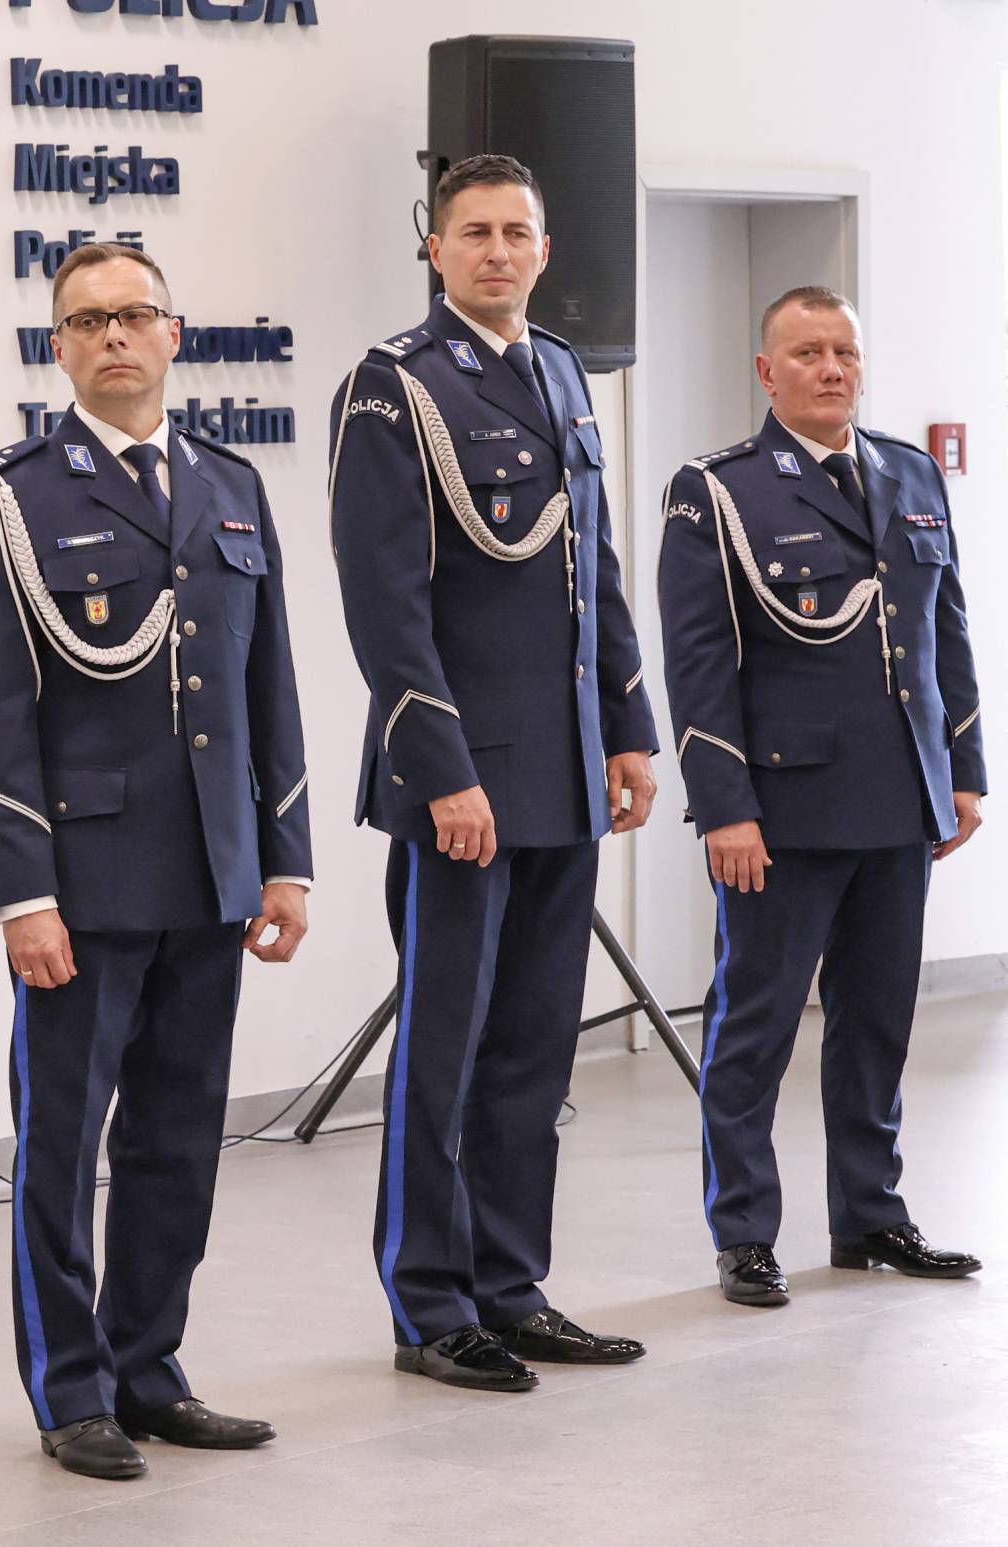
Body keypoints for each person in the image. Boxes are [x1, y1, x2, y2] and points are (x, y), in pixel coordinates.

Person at [0, 242, 314, 1479]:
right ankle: (71, 1389)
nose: (113, 336)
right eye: (87, 320)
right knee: (61, 1146)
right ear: (57, 347)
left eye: (133, 315)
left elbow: (268, 689)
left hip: (209, 873)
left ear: (172, 334)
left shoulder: (229, 485)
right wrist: (19, 890)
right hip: (83, 882)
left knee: (177, 1138)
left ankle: (149, 1368)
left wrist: (284, 858)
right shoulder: (8, 497)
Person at [326, 155, 658, 1392]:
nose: (497, 252)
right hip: (460, 782)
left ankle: (511, 1287)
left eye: (517, 232)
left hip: (563, 772)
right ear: (435, 248)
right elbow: (383, 600)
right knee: (446, 1052)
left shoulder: (563, 371)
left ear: (544, 250)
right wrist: (440, 769)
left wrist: (627, 725)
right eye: (473, 232)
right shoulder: (393, 386)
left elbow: (594, 568)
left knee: (532, 1048)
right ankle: (429, 1304)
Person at [656, 286, 986, 1308]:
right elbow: (698, 664)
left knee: (877, 1021)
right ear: (767, 372)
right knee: (753, 1027)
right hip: (783, 812)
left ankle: (871, 1214)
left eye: (844, 350)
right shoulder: (717, 490)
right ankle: (745, 1232)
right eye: (807, 352)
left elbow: (946, 631)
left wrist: (963, 769)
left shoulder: (910, 473)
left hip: (899, 802)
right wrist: (724, 806)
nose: (831, 368)